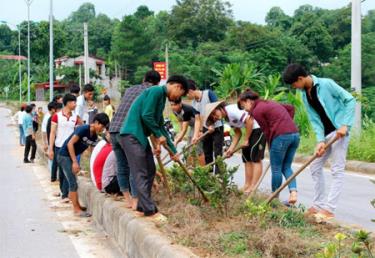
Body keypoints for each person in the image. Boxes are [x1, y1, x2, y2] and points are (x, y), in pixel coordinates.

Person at [282, 64, 356, 220]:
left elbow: (349, 100)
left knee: (337, 170)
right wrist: (320, 141)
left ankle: (329, 209)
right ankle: (318, 205)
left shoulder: (326, 84)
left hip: (339, 133)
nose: (294, 87)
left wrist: (345, 125)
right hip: (326, 135)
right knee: (315, 166)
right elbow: (314, 119)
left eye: (294, 83)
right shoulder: (303, 93)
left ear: (300, 79)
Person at [120, 75, 188, 219]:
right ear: (177, 86)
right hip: (131, 135)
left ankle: (141, 207)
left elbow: (160, 126)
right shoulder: (156, 91)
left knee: (150, 169)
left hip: (139, 138)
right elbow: (146, 115)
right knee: (141, 172)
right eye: (179, 95)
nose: (176, 98)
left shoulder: (161, 98)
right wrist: (157, 134)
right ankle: (150, 211)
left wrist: (173, 151)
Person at [109, 70, 161, 209]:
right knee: (135, 166)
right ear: (157, 83)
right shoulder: (152, 92)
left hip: (113, 129)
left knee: (122, 165)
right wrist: (157, 142)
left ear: (144, 78)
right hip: (128, 131)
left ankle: (128, 200)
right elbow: (147, 117)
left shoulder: (130, 89)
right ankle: (136, 200)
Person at [238, 89, 299, 205]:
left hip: (280, 137)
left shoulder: (256, 111)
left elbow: (265, 131)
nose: (245, 109)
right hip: (295, 134)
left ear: (249, 101)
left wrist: (271, 145)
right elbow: (291, 108)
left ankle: (274, 199)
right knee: (286, 166)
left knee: (276, 168)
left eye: (243, 105)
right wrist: (287, 123)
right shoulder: (268, 103)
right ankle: (293, 192)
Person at [205, 101, 266, 194]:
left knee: (255, 158)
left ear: (219, 107)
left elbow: (250, 120)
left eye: (214, 113)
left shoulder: (232, 110)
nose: (215, 117)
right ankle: (247, 185)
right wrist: (231, 149)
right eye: (212, 117)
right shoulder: (227, 118)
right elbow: (238, 133)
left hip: (258, 129)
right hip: (250, 131)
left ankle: (253, 187)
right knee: (246, 158)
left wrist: (246, 139)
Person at [58, 113, 109, 217]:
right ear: (96, 123)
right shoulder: (83, 129)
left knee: (74, 182)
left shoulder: (94, 137)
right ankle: (76, 209)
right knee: (72, 182)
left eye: (104, 128)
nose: (102, 129)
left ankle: (77, 205)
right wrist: (75, 162)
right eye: (101, 126)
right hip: (64, 155)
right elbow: (70, 144)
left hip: (70, 157)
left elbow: (93, 150)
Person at [49, 94, 83, 203]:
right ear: (68, 103)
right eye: (74, 102)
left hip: (70, 148)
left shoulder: (75, 117)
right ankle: (64, 192)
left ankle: (65, 194)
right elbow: (52, 133)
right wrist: (50, 148)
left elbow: (80, 129)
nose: (75, 104)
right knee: (62, 172)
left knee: (68, 171)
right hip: (59, 147)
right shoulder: (57, 116)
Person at [186, 80, 223, 170]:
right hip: (206, 128)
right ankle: (208, 174)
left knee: (218, 153)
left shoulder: (209, 94)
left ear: (190, 91)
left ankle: (219, 176)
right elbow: (198, 120)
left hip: (217, 127)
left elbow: (217, 109)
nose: (186, 96)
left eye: (186, 94)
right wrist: (195, 135)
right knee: (207, 152)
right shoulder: (194, 103)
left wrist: (212, 124)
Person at [170, 98, 204, 165]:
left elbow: (184, 129)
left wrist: (175, 142)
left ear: (180, 104)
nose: (173, 107)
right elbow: (181, 121)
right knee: (189, 148)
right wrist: (179, 136)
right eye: (171, 105)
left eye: (175, 105)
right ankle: (190, 167)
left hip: (199, 125)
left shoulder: (186, 110)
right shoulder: (174, 111)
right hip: (192, 126)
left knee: (197, 148)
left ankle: (203, 170)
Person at [47, 102, 63, 183]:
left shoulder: (52, 117)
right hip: (55, 142)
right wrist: (51, 145)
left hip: (54, 142)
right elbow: (51, 132)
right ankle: (54, 177)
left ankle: (53, 177)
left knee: (55, 162)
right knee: (56, 161)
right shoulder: (55, 118)